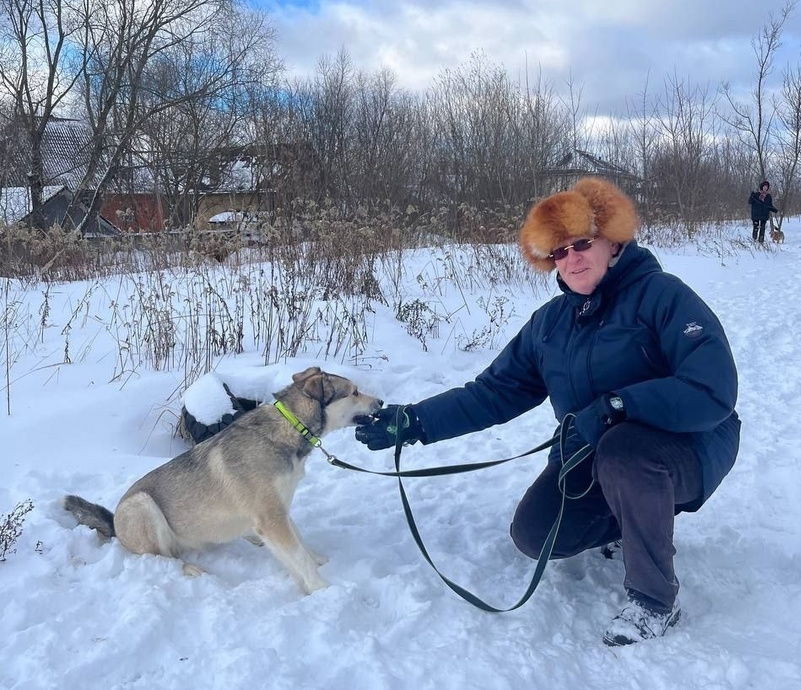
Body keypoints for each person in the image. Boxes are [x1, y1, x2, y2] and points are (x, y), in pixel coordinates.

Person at [355, 177, 740, 646]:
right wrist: (414, 421)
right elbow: (493, 391)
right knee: (535, 534)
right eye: (559, 251)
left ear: (612, 240)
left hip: (691, 445)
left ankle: (653, 600)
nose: (572, 258)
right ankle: (636, 519)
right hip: (592, 452)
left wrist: (622, 405)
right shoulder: (551, 324)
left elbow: (713, 388)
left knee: (625, 449)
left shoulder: (662, 295)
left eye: (582, 243)